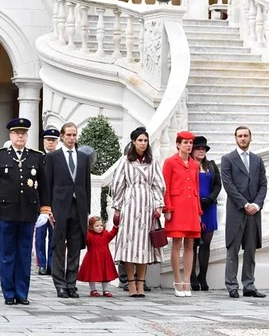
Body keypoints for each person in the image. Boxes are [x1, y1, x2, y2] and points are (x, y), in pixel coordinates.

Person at [0, 117, 51, 306]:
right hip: (6, 212)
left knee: (23, 255)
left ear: (27, 136)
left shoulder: (36, 157)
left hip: (28, 213)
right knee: (6, 256)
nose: (20, 136)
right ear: (10, 135)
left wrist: (45, 210)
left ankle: (22, 293)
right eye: (16, 133)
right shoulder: (0, 156)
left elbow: (44, 186)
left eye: (23, 133)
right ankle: (9, 294)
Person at [110, 127, 165, 298]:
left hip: (147, 206)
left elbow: (158, 184)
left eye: (145, 140)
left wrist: (158, 205)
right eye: (139, 140)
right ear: (133, 141)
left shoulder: (152, 162)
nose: (143, 143)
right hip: (130, 205)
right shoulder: (125, 161)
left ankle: (141, 283)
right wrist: (117, 208)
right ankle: (130, 283)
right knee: (129, 246)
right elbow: (118, 185)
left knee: (144, 247)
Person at [221, 126, 268, 299]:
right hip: (236, 211)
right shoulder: (228, 159)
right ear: (235, 138)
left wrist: (256, 204)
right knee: (232, 250)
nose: (242, 138)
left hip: (253, 213)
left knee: (250, 250)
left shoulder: (257, 160)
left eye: (245, 136)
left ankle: (249, 285)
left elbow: (263, 184)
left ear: (250, 138)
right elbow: (228, 185)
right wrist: (245, 204)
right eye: (240, 136)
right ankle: (232, 285)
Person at [46, 122, 91, 299]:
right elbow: (47, 184)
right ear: (62, 136)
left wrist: (86, 209)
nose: (72, 138)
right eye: (69, 135)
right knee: (58, 246)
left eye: (74, 135)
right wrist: (47, 208)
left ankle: (71, 283)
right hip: (59, 207)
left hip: (78, 207)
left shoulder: (84, 157)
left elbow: (86, 185)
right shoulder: (53, 157)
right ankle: (59, 284)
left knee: (74, 246)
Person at [162, 131, 202, 297]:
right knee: (176, 243)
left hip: (191, 207)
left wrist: (199, 210)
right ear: (178, 144)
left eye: (190, 143)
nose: (189, 145)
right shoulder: (170, 162)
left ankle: (187, 281)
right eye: (185, 142)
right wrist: (167, 209)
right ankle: (177, 280)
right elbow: (166, 187)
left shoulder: (194, 164)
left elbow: (197, 189)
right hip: (177, 207)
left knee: (190, 244)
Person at [189, 136, 221, 292]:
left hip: (209, 207)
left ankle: (203, 275)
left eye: (203, 149)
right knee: (193, 243)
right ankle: (192, 276)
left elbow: (217, 185)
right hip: (192, 207)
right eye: (198, 148)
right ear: (192, 150)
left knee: (206, 242)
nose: (201, 151)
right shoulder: (188, 165)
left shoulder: (211, 166)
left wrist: (210, 199)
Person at [36, 128, 59, 276]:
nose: (50, 142)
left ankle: (52, 263)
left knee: (54, 235)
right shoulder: (38, 158)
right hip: (40, 201)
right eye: (48, 140)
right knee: (39, 235)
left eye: (53, 140)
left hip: (56, 202)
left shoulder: (59, 158)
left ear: (57, 142)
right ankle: (42, 264)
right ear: (44, 141)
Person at [77, 216, 118, 297]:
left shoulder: (105, 234)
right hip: (93, 258)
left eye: (101, 225)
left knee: (105, 274)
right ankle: (93, 290)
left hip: (105, 258)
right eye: (97, 226)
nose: (100, 228)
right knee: (92, 274)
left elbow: (112, 234)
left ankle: (105, 290)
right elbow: (83, 239)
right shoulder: (89, 235)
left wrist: (115, 227)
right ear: (91, 227)